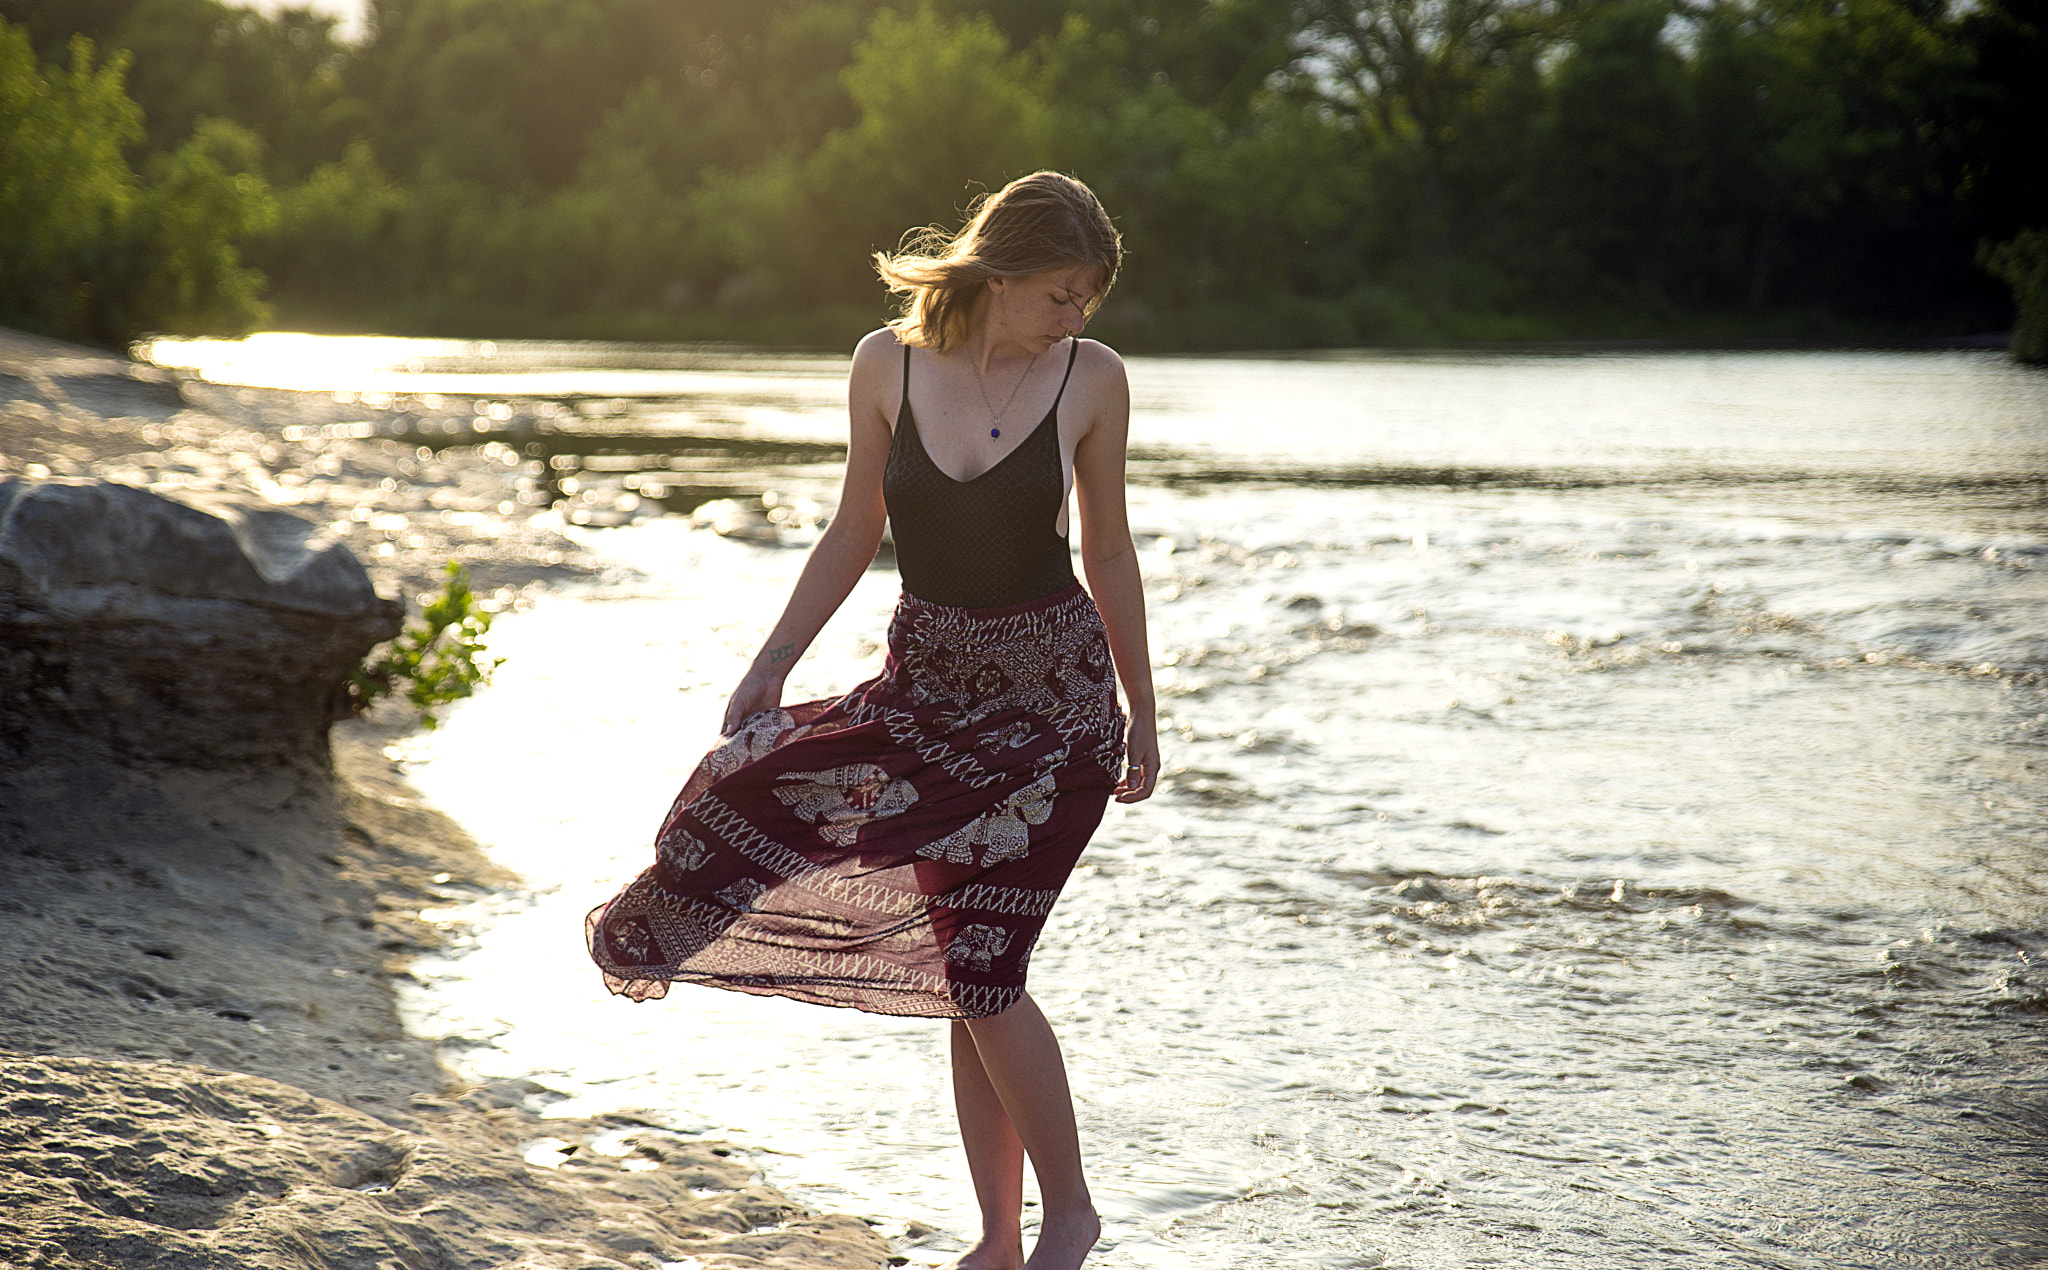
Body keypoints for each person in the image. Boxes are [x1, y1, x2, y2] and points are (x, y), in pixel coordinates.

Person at [586, 170, 1157, 1270]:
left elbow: (1109, 551)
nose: (1076, 316)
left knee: (984, 963)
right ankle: (998, 1235)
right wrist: (770, 664)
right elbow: (854, 527)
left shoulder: (1092, 379)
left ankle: (1069, 1216)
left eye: (1088, 298)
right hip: (922, 701)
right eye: (1060, 293)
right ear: (999, 271)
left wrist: (1141, 708)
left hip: (1054, 714)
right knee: (946, 953)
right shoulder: (883, 363)